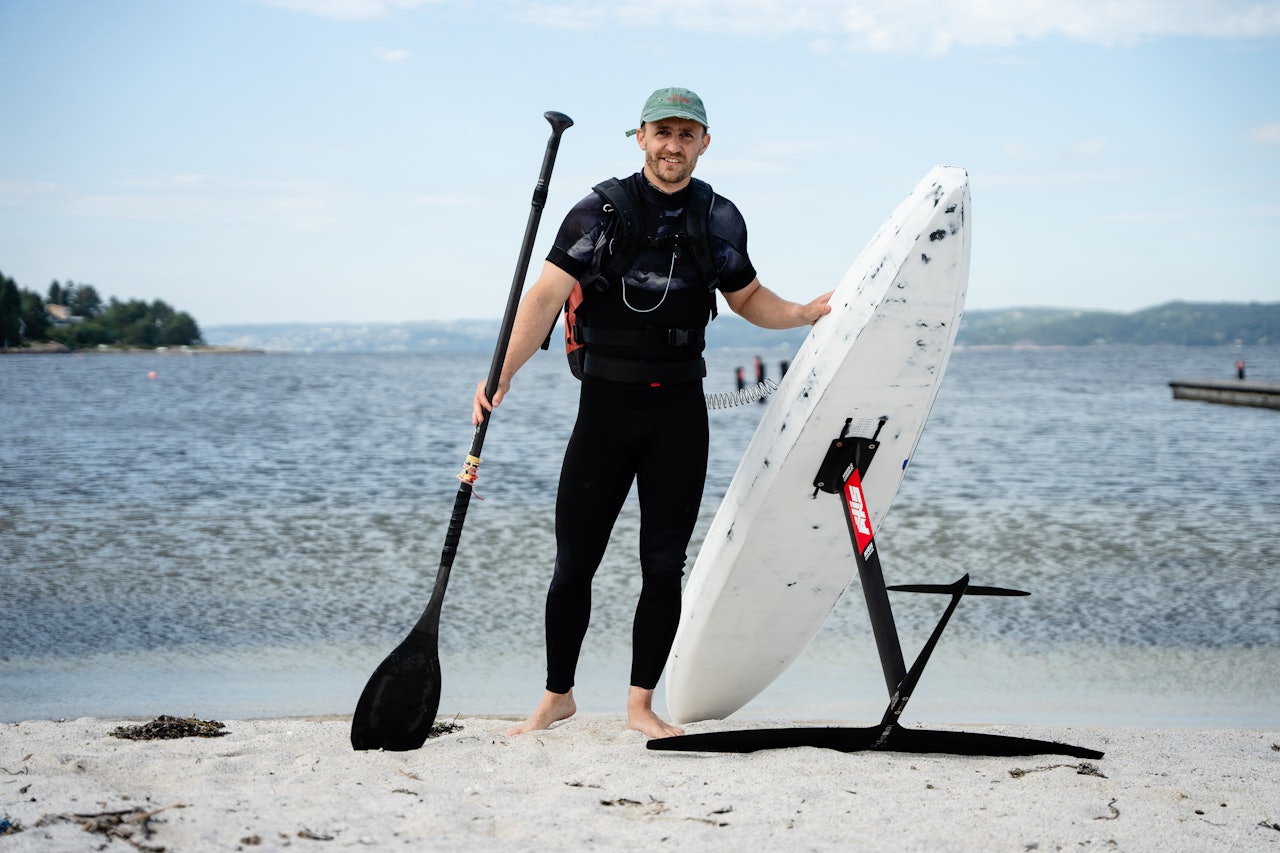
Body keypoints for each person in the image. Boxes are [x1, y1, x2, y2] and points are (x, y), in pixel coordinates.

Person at [473, 87, 832, 739]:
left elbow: (748, 296)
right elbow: (547, 294)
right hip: (604, 410)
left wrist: (805, 313)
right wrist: (502, 372)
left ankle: (641, 706)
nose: (673, 145)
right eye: (662, 132)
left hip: (679, 415)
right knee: (574, 563)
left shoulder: (717, 217)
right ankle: (557, 696)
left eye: (686, 134)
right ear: (640, 137)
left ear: (704, 143)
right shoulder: (598, 212)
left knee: (664, 566)